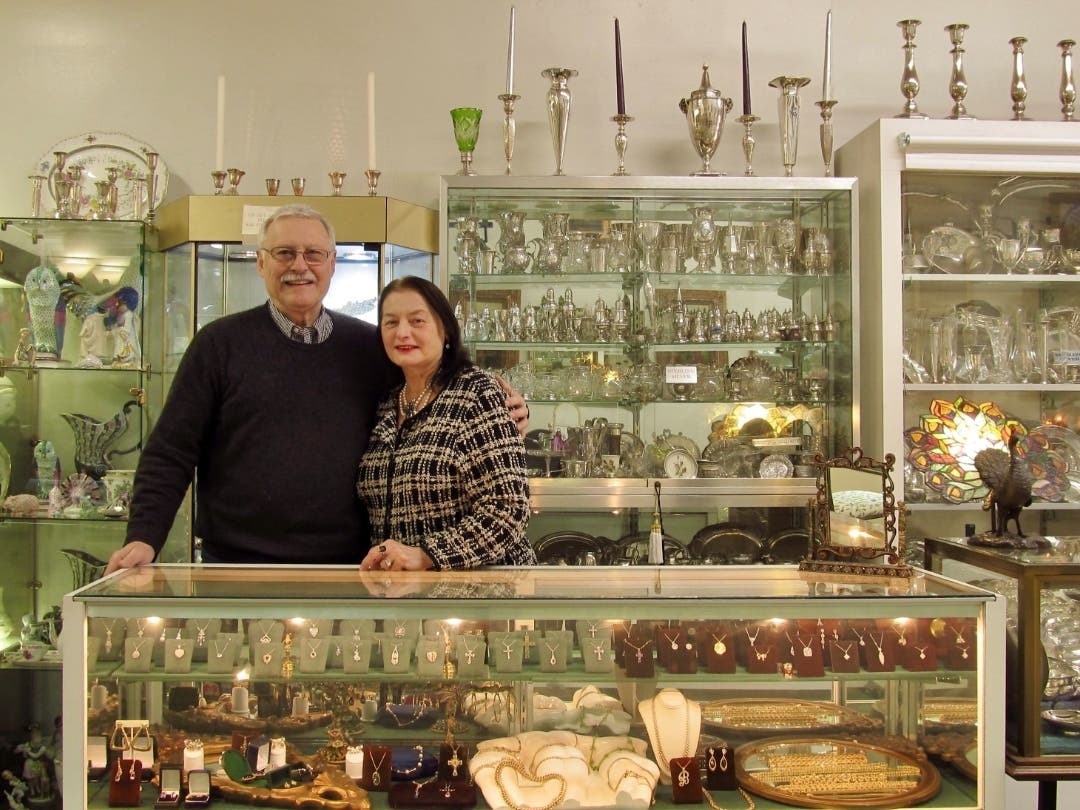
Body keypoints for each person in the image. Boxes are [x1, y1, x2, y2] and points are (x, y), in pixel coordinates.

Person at [106, 204, 528, 572]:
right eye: (285, 253)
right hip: (238, 565)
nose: (299, 266)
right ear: (260, 262)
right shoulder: (219, 345)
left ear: (332, 263)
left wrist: (506, 412)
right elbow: (171, 452)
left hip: (349, 567)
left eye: (314, 254)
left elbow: (441, 393)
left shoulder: (368, 347)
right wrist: (145, 536)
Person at [358, 277, 536, 571]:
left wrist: (426, 555)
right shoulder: (388, 404)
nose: (403, 332)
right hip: (404, 594)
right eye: (391, 323)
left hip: (478, 592)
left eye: (417, 320)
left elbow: (508, 509)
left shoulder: (477, 393)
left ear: (446, 331)